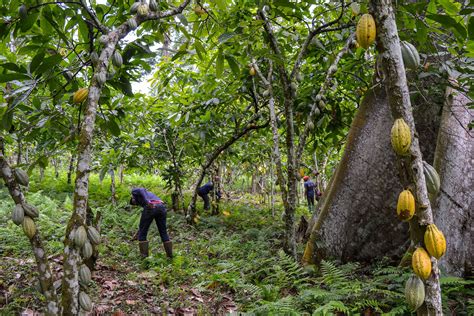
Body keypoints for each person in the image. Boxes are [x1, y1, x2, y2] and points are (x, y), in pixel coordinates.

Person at [130, 188, 172, 258]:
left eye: (135, 202)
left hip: (151, 207)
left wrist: (147, 201)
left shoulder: (134, 192)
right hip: (161, 207)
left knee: (142, 235)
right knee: (163, 232)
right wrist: (137, 233)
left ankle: (144, 259)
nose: (136, 204)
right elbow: (143, 226)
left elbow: (142, 189)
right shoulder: (150, 195)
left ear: (133, 198)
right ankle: (170, 257)